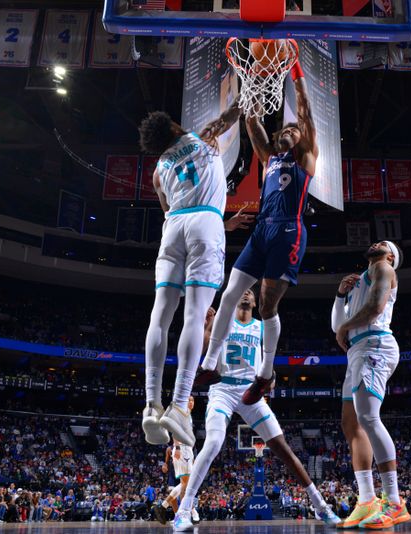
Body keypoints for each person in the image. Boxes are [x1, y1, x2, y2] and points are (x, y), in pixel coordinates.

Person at [196, 50, 318, 407]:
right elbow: (252, 124)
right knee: (230, 293)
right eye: (288, 127)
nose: (292, 129)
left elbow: (306, 112)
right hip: (262, 230)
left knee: (266, 307)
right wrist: (249, 84)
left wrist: (295, 71)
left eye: (295, 130)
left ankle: (264, 374)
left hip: (288, 231)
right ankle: (209, 362)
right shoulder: (269, 157)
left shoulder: (306, 157)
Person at [172, 289, 340, 531]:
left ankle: (319, 505)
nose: (246, 292)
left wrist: (269, 381)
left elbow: (268, 367)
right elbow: (203, 352)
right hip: (223, 390)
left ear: (256, 301)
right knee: (213, 443)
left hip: (251, 392)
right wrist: (207, 325)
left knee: (283, 449)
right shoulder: (222, 319)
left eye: (251, 291)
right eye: (242, 289)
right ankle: (184, 510)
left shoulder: (262, 327)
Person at [138, 97, 243, 448]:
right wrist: (248, 90)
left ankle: (151, 406)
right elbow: (233, 114)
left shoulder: (157, 172)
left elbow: (170, 209)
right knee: (195, 315)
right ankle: (180, 404)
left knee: (160, 317)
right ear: (173, 128)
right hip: (204, 223)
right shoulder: (202, 139)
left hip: (174, 228)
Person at [331, 241, 410, 529]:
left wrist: (344, 327)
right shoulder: (358, 282)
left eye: (384, 244)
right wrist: (341, 296)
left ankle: (394, 501)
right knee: (350, 423)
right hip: (358, 350)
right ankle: (367, 501)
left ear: (391, 256)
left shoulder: (383, 267)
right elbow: (336, 325)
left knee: (368, 417)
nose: (377, 243)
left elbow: (376, 307)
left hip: (375, 345)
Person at [155, 396, 199, 525]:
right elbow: (174, 430)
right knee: (187, 483)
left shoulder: (188, 415)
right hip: (182, 449)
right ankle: (166, 507)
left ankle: (164, 506)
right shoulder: (182, 413)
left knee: (185, 483)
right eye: (189, 400)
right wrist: (178, 447)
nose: (191, 402)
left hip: (187, 450)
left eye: (193, 400)